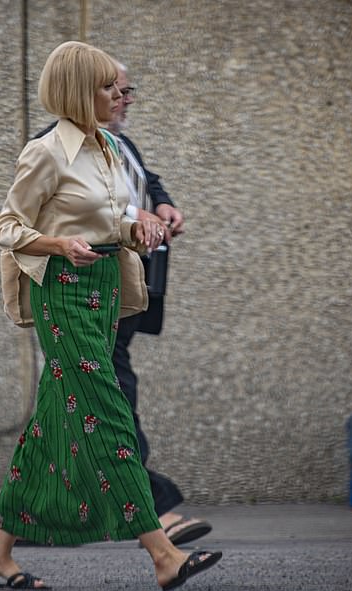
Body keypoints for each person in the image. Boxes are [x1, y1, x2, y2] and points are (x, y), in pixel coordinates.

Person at [0, 41, 221, 591]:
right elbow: (6, 228)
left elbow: (111, 220)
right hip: (62, 292)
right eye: (109, 87)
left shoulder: (108, 146)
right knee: (107, 415)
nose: (121, 95)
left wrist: (142, 230)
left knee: (51, 424)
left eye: (120, 86)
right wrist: (58, 244)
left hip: (107, 290)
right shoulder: (46, 151)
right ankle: (162, 553)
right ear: (78, 92)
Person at [108, 64, 213, 547]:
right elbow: (82, 205)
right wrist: (136, 214)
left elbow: (143, 177)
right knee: (111, 402)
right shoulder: (64, 144)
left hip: (126, 296)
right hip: (89, 297)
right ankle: (156, 514)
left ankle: (24, 526)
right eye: (119, 91)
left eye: (131, 91)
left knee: (65, 416)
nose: (128, 99)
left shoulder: (117, 140)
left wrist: (162, 203)